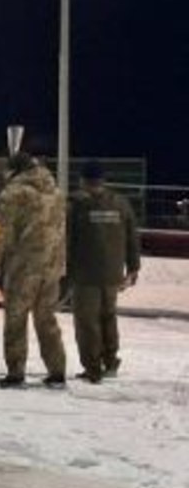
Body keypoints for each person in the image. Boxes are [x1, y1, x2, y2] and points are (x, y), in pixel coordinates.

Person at [0, 151, 68, 388]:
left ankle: (15, 372)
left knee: (16, 318)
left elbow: (0, 232)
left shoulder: (13, 193)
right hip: (52, 266)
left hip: (23, 265)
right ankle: (57, 371)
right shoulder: (56, 192)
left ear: (15, 171)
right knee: (47, 319)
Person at [67, 159, 140, 383]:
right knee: (108, 318)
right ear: (103, 180)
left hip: (85, 275)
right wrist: (133, 266)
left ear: (83, 180)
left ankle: (92, 368)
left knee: (87, 322)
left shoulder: (76, 204)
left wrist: (62, 268)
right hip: (112, 273)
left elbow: (66, 239)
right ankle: (110, 361)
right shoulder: (121, 203)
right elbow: (132, 237)